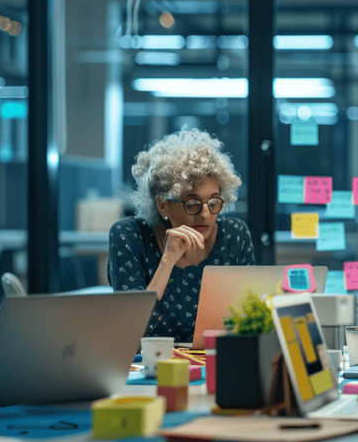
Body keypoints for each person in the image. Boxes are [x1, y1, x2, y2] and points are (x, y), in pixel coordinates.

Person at [108, 128, 255, 342]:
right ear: (163, 205)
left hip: (215, 362)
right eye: (192, 203)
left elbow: (249, 322)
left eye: (213, 202)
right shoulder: (129, 236)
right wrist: (167, 261)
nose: (205, 214)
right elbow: (130, 330)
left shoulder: (234, 235)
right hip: (151, 367)